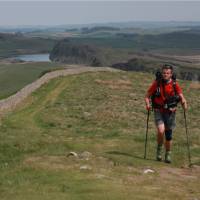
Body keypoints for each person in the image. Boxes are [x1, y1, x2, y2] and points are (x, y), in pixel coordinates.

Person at [145, 64, 187, 163]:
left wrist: (184, 104)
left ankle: (168, 154)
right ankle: (159, 151)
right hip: (158, 111)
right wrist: (147, 104)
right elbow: (147, 96)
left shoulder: (174, 84)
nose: (165, 75)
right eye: (164, 73)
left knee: (168, 136)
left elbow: (181, 96)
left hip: (170, 113)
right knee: (160, 130)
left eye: (167, 73)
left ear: (171, 74)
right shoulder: (157, 83)